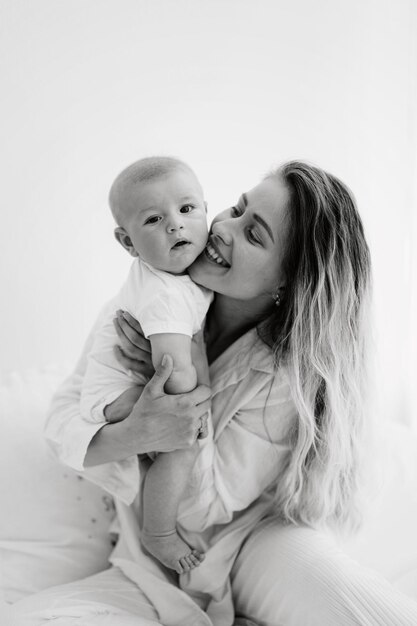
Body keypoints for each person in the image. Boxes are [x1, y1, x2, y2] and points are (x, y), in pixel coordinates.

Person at [13, 161, 417, 626]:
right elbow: (61, 423)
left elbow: (202, 509)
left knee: (359, 607)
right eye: (238, 208)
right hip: (149, 557)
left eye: (254, 234)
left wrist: (183, 377)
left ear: (287, 282)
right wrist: (138, 431)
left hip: (251, 542)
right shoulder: (147, 302)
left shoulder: (286, 375)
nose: (223, 228)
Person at [79, 156, 213, 574]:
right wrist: (192, 408)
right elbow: (175, 370)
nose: (175, 225)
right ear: (128, 243)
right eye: (154, 219)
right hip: (113, 393)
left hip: (118, 387)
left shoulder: (176, 278)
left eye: (187, 209)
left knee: (173, 440)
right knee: (181, 444)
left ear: (207, 211)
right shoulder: (164, 293)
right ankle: (158, 533)